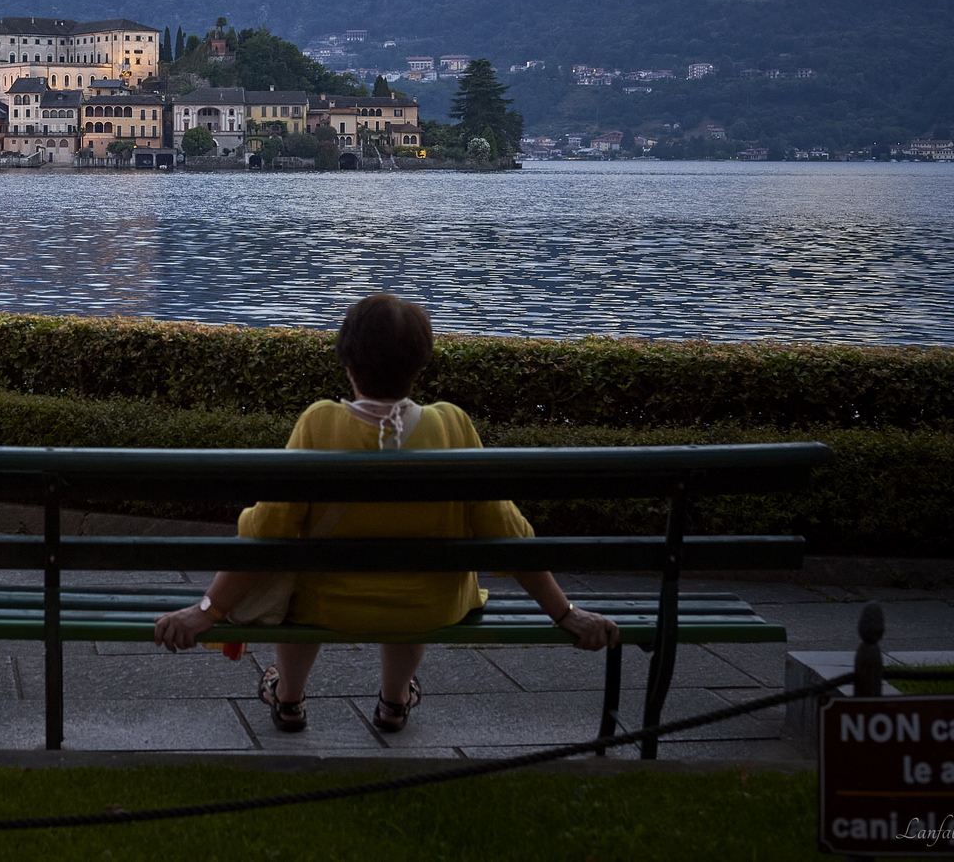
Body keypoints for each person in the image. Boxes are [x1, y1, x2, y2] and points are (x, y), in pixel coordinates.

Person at [151, 294, 619, 734]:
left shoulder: (319, 421)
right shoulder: (452, 423)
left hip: (327, 603)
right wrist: (565, 613)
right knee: (411, 582)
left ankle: (289, 698)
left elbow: (269, 530)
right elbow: (506, 530)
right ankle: (395, 701)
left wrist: (208, 610)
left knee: (299, 573)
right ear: (420, 361)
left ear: (347, 360)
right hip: (429, 604)